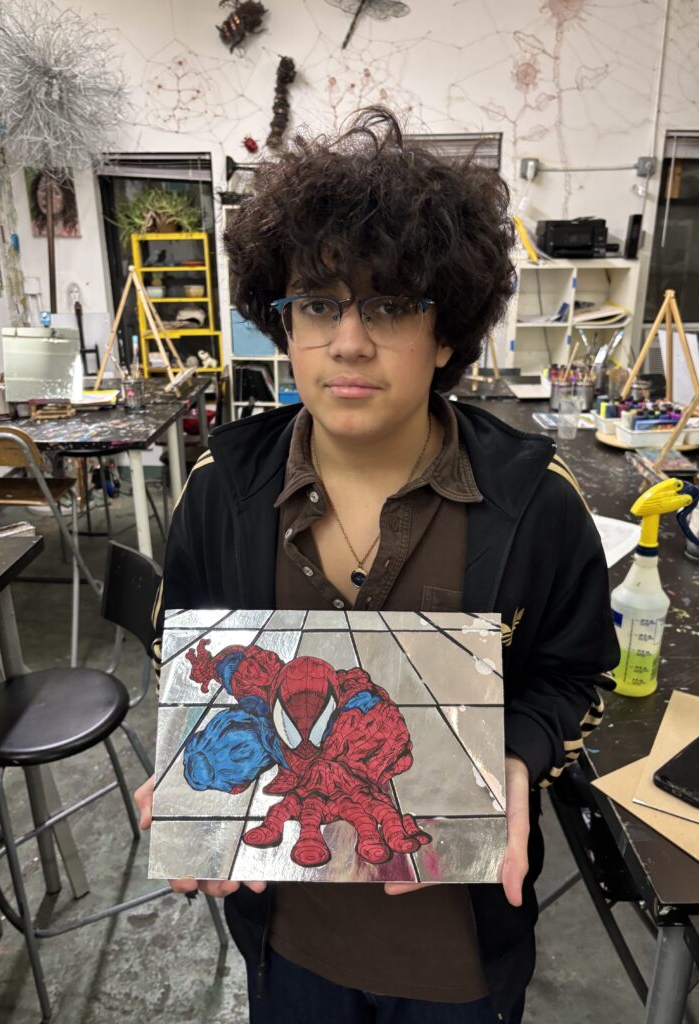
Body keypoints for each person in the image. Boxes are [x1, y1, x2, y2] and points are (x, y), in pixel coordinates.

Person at [135, 106, 619, 1024]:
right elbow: (182, 652)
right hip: (287, 934)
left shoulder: (534, 503)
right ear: (283, 325)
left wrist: (517, 758)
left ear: (447, 336)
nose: (348, 342)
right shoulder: (221, 489)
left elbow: (576, 672)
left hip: (461, 953)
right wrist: (190, 755)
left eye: (390, 306)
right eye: (319, 304)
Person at [28, 169, 80, 237]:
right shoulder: (33, 228)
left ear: (66, 198)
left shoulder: (76, 227)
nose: (47, 197)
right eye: (42, 190)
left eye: (55, 192)